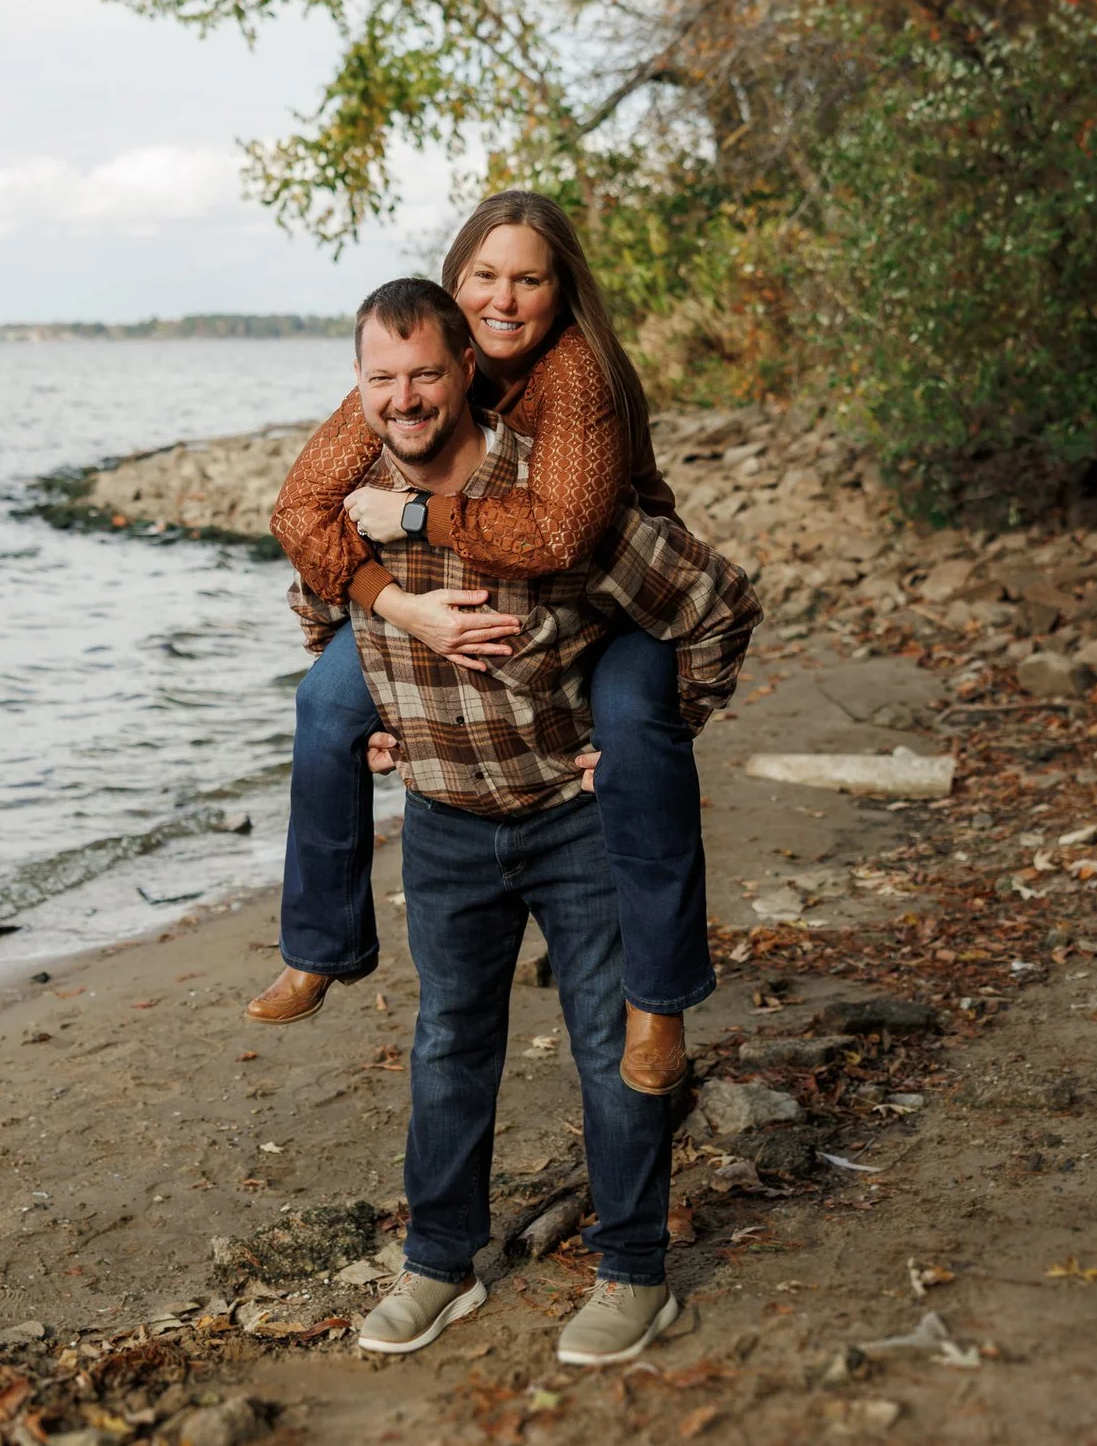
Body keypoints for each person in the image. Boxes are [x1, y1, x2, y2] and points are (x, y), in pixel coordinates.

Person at [291, 277, 737, 1366]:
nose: (404, 398)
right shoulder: (348, 510)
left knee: (607, 1048)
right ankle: (439, 1262)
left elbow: (712, 606)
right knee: (448, 1044)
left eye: (425, 374)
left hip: (572, 822)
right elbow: (313, 608)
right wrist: (363, 719)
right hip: (443, 822)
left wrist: (643, 741)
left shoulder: (556, 508)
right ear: (359, 389)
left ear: (467, 373)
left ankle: (635, 1275)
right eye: (381, 379)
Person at [252, 191, 760, 1100]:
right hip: (481, 593)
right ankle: (321, 945)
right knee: (326, 705)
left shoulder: (577, 377)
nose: (504, 298)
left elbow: (556, 536)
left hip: (615, 600)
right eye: (484, 275)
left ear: (562, 291)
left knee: (640, 741)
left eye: (529, 279)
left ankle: (661, 1000)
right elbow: (299, 511)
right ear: (453, 287)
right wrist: (397, 616)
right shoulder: (424, 365)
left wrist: (411, 513)